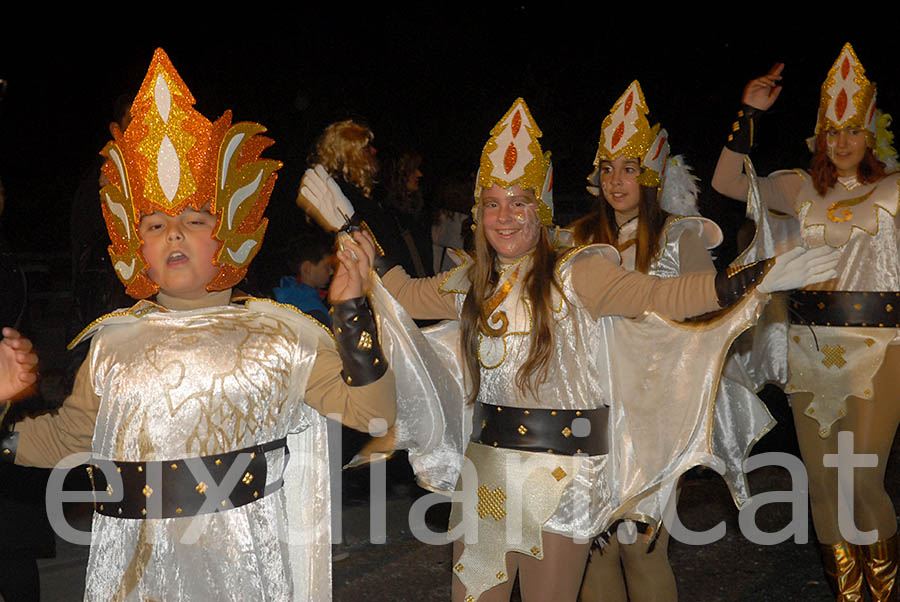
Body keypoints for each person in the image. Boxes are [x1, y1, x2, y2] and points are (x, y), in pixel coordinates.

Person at [303, 97, 838, 602]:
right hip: (488, 470)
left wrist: (750, 280)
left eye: (519, 203)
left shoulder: (577, 270)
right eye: (492, 203)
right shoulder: (472, 282)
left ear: (542, 209)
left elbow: (656, 295)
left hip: (565, 476)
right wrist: (351, 225)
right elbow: (403, 291)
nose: (505, 216)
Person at [0, 48, 394, 602]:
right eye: (157, 224)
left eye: (194, 220)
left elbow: (374, 413)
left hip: (244, 573)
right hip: (137, 576)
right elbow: (67, 438)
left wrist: (353, 314)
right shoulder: (112, 344)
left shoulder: (280, 335)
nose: (175, 234)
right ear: (137, 248)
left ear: (230, 231)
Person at [711, 43, 900, 601]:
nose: (840, 143)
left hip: (881, 344)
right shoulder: (799, 188)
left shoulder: (896, 188)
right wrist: (749, 113)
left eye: (852, 131)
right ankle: (847, 593)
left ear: (871, 133)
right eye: (831, 131)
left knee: (862, 478)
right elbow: (726, 183)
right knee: (821, 482)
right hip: (809, 345)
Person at [571, 81, 721, 602]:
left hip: (652, 414)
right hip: (588, 407)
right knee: (595, 546)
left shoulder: (681, 234)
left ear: (651, 176)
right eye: (607, 168)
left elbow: (708, 309)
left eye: (629, 169)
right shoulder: (579, 241)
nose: (615, 180)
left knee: (642, 546)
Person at [273, 227, 335, 327]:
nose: (331, 272)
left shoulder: (284, 292)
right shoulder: (314, 310)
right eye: (327, 266)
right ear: (307, 268)